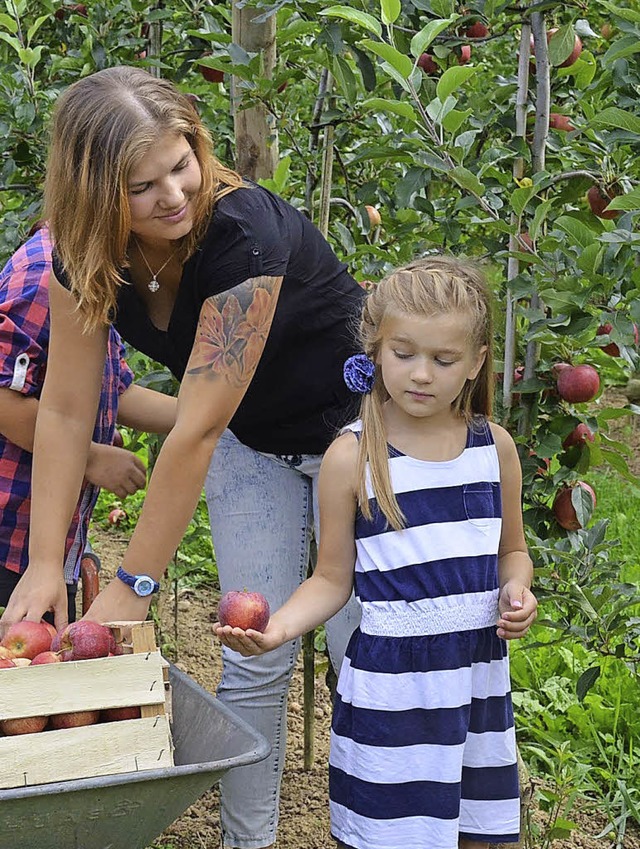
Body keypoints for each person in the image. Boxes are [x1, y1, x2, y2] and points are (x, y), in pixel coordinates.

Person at [0, 66, 364, 849]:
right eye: (143, 184)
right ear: (96, 194)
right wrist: (43, 560)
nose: (174, 193)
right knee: (256, 653)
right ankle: (249, 843)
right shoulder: (82, 259)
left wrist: (134, 583)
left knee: (363, 656)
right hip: (255, 442)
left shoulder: (242, 235)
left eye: (182, 163)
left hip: (358, 438)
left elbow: (194, 429)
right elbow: (63, 410)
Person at [215, 256, 539, 849]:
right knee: (391, 833)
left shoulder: (494, 449)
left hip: (475, 690)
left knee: (481, 836)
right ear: (375, 350)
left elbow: (511, 552)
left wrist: (518, 589)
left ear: (475, 363)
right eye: (403, 354)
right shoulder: (353, 457)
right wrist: (277, 629)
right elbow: (331, 580)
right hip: (392, 695)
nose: (421, 374)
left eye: (443, 360)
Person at [0, 224, 177, 620]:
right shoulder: (43, 273)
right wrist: (91, 458)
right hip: (10, 534)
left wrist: (207, 415)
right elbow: (2, 397)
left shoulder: (93, 272)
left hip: (43, 536)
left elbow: (118, 390)